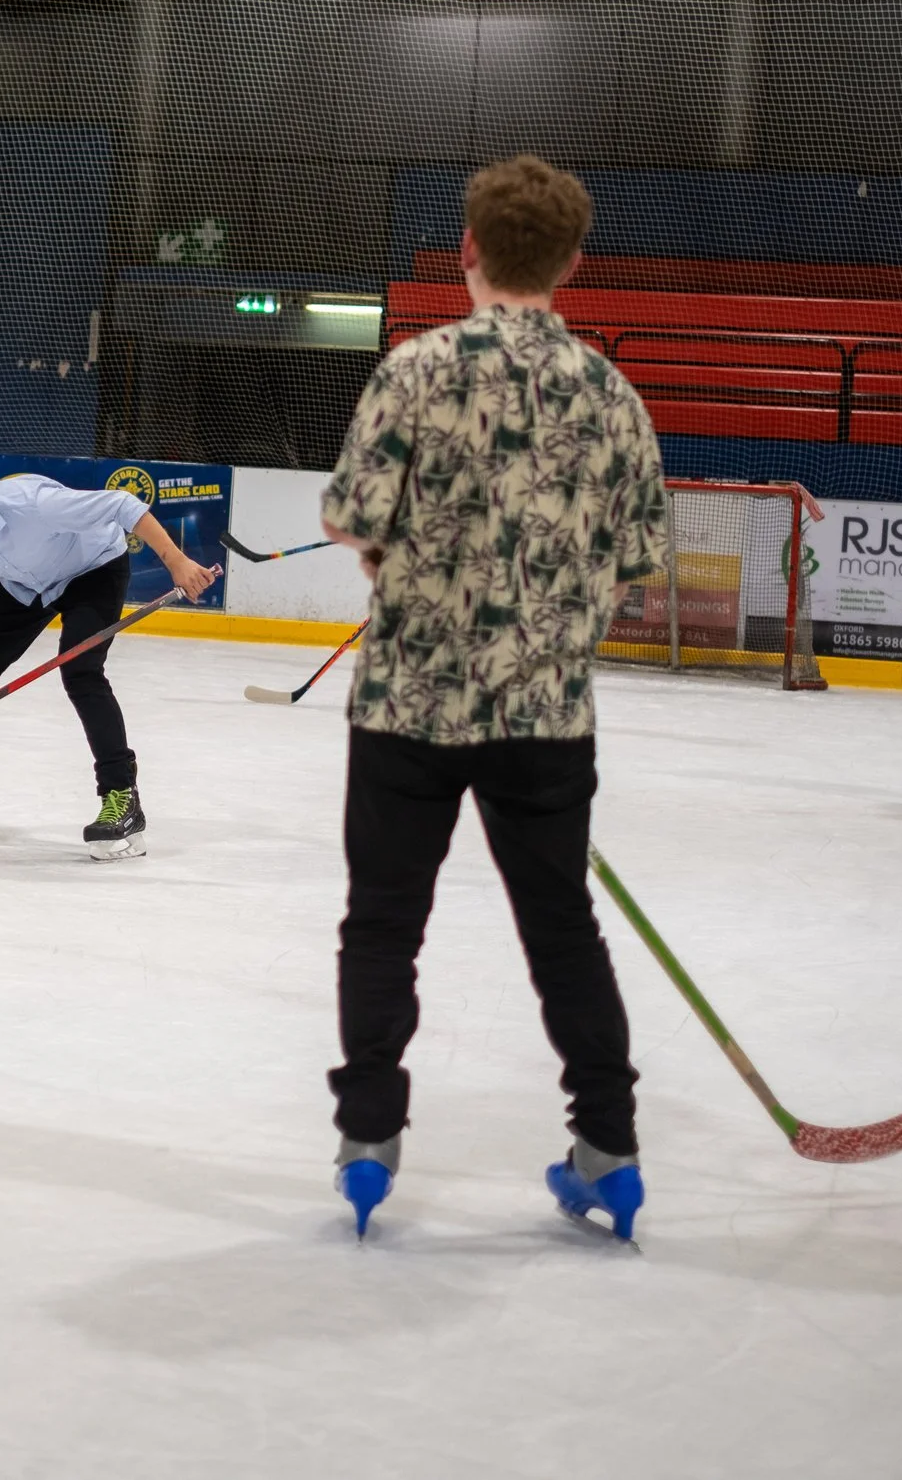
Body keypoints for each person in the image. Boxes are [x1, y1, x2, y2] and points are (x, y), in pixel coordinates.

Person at [317, 154, 669, 1242]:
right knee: (563, 930)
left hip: (409, 706)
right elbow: (636, 561)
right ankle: (607, 1147)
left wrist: (390, 553)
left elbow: (349, 515)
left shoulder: (415, 369)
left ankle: (369, 1136)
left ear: (467, 249)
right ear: (572, 262)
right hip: (545, 717)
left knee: (384, 922)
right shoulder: (611, 394)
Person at [0, 466, 218, 858]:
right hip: (25, 586)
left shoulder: (33, 506)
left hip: (93, 571)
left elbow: (123, 505)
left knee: (81, 672)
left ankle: (122, 797)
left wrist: (176, 560)